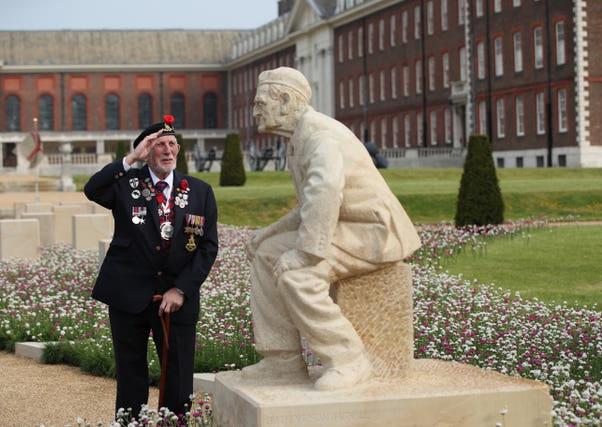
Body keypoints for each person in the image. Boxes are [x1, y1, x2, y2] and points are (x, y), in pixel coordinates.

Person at [242, 67, 421, 391]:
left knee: (299, 276)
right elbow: (309, 204)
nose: (255, 111)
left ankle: (349, 359)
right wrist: (267, 234)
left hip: (372, 230)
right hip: (345, 224)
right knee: (267, 253)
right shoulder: (301, 137)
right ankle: (282, 360)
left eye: (259, 103)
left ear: (284, 101)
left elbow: (324, 193)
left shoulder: (320, 137)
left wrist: (306, 253)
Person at [84, 115, 218, 416]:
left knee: (179, 375)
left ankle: (176, 424)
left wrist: (181, 289)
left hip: (177, 299)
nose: (168, 151)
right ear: (147, 151)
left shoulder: (199, 191)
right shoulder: (126, 184)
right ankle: (132, 424)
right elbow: (92, 189)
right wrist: (131, 158)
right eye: (159, 145)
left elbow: (208, 247)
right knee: (131, 373)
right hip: (128, 294)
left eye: (172, 144)